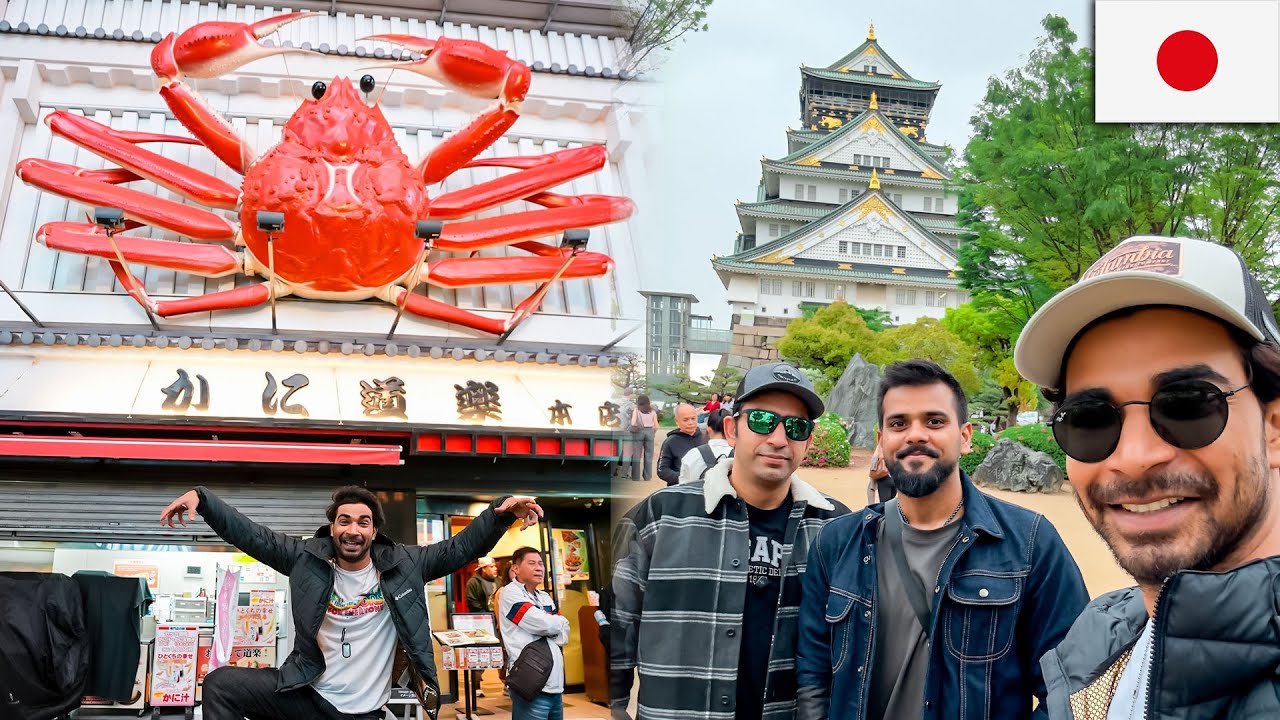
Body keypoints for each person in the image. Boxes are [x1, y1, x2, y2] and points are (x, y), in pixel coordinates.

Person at [1013, 235, 1280, 717]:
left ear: (1274, 428)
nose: (1134, 457)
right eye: (1090, 419)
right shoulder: (1098, 645)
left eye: (1188, 405)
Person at [796, 360, 1088, 720]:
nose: (915, 434)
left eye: (934, 421)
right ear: (881, 440)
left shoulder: (1029, 543)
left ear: (965, 437)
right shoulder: (837, 543)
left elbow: (1072, 686)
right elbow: (813, 670)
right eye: (898, 423)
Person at [159, 485, 542, 720]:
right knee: (221, 684)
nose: (352, 530)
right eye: (344, 521)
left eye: (362, 522)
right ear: (332, 527)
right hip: (310, 698)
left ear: (374, 531)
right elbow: (255, 536)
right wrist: (204, 500)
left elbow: (460, 547)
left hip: (363, 712)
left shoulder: (406, 564)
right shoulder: (305, 559)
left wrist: (499, 514)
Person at [612, 362, 851, 719]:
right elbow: (617, 627)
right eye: (761, 421)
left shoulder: (835, 529)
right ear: (731, 429)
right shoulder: (660, 518)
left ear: (808, 441)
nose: (778, 439)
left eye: (796, 427)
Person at [499, 547, 571, 720]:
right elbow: (543, 623)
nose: (539, 568)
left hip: (555, 684)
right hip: (530, 682)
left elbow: (564, 632)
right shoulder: (510, 593)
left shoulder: (545, 596)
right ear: (515, 569)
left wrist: (555, 625)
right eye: (532, 563)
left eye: (540, 563)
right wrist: (555, 624)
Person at [465, 556, 500, 700]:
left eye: (495, 566)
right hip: (481, 624)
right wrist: (486, 616)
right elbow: (472, 602)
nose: (495, 569)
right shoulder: (473, 582)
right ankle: (476, 685)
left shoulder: (499, 581)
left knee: (501, 653)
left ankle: (507, 684)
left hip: (498, 623)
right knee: (480, 655)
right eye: (491, 567)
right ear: (483, 569)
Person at [678, 408, 732, 483]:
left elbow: (683, 485)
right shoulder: (741, 455)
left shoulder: (693, 455)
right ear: (731, 429)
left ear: (708, 429)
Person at [656, 403, 705, 486]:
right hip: (680, 490)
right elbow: (662, 470)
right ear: (677, 421)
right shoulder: (670, 442)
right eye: (686, 420)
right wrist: (683, 478)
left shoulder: (706, 438)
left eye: (693, 418)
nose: (690, 423)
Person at [629, 395, 659, 481]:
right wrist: (653, 433)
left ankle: (635, 476)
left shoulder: (637, 410)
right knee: (649, 455)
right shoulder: (652, 412)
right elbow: (656, 426)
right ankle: (647, 476)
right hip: (650, 432)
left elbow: (633, 423)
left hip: (639, 432)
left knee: (636, 455)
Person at [616, 387, 637, 481]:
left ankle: (612, 472)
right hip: (627, 431)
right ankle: (624, 474)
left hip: (615, 430)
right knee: (627, 453)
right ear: (631, 394)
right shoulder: (632, 406)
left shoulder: (616, 403)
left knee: (615, 451)